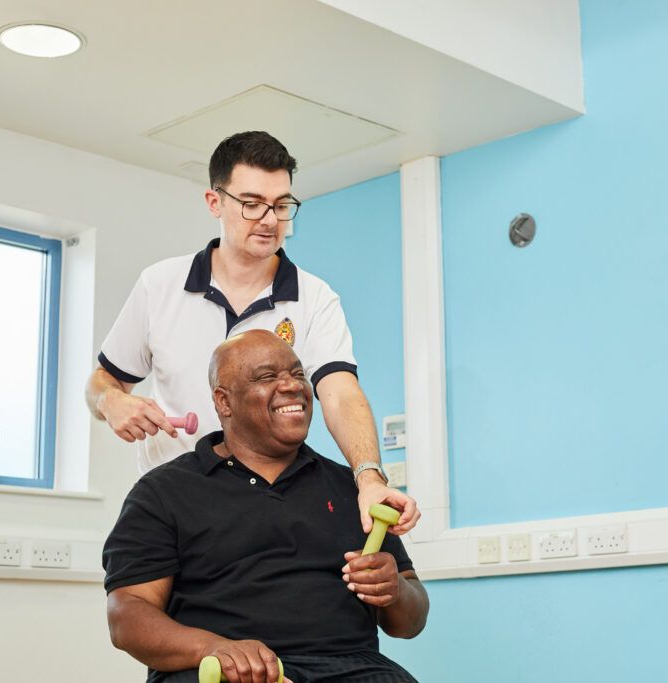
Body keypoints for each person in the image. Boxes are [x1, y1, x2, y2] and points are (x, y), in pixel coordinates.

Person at [86, 131, 417, 536]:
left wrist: (369, 477)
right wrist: (112, 401)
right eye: (252, 204)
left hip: (271, 503)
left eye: (281, 205)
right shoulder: (159, 285)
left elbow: (340, 393)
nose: (269, 219)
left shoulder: (315, 298)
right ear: (215, 202)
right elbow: (102, 382)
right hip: (171, 502)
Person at [103, 330, 429, 683]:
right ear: (224, 401)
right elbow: (127, 615)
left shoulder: (355, 491)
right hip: (222, 670)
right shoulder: (163, 492)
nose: (292, 386)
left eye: (298, 373)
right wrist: (212, 648)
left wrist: (394, 588)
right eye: (268, 376)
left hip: (352, 668)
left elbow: (409, 622)